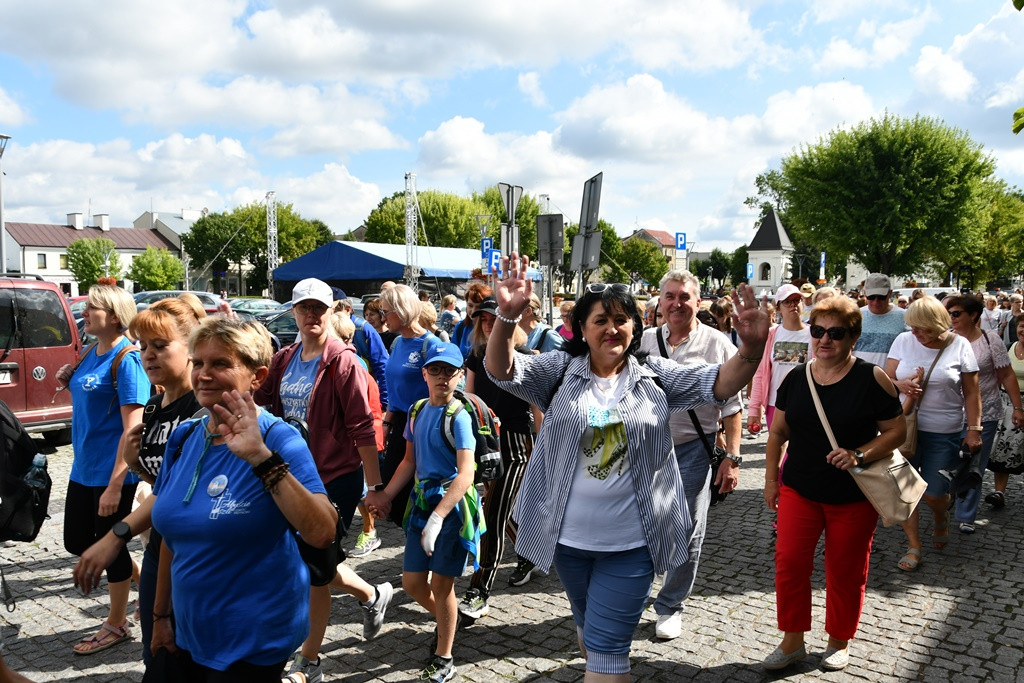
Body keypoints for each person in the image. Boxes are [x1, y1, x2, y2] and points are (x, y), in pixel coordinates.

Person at [485, 254, 769, 681]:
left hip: (633, 544)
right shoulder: (559, 371)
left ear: (636, 327)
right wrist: (507, 318)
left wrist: (751, 348)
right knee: (589, 633)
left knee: (606, 653)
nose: (611, 328)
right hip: (567, 541)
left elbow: (721, 384)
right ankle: (593, 638)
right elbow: (503, 369)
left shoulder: (656, 375)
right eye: (600, 320)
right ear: (582, 329)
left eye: (621, 319)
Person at [148, 316, 338, 680]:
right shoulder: (185, 437)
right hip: (187, 634)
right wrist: (160, 617)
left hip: (252, 641)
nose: (204, 374)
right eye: (198, 362)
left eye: (220, 363)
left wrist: (260, 458)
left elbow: (322, 532)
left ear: (258, 377)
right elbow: (173, 536)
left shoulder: (279, 440)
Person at [255, 279, 394, 683]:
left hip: (333, 478)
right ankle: (371, 594)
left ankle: (310, 662)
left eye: (320, 308)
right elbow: (260, 401)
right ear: (294, 312)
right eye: (304, 308)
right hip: (288, 475)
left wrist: (375, 486)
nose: (312, 315)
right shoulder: (284, 358)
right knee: (306, 562)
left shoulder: (344, 362)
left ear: (333, 311)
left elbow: (362, 428)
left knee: (313, 569)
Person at [762, 296, 905, 671]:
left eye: (835, 333)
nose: (825, 340)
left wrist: (859, 453)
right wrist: (771, 480)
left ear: (853, 336)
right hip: (799, 489)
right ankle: (792, 640)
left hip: (852, 495)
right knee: (789, 562)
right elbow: (778, 432)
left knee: (845, 569)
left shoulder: (872, 378)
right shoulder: (797, 377)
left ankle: (839, 639)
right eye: (818, 331)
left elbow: (896, 431)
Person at [73, 296, 204, 667]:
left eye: (160, 346)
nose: (147, 355)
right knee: (156, 653)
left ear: (191, 347)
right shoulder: (154, 406)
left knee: (181, 656)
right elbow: (162, 479)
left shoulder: (199, 409)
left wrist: (115, 535)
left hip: (193, 553)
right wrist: (135, 463)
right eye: (144, 346)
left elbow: (177, 493)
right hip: (159, 545)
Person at [366, 342, 485, 683]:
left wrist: (439, 517)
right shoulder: (417, 410)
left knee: (442, 584)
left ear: (459, 375)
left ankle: (444, 656)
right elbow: (409, 461)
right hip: (421, 503)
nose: (442, 377)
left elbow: (466, 474)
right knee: (413, 582)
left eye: (449, 371)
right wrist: (385, 493)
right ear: (424, 373)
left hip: (451, 509)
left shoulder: (459, 417)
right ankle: (449, 621)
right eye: (435, 370)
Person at [639, 270, 742, 641]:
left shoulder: (718, 344)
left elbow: (731, 407)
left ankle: (669, 605)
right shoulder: (645, 340)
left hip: (692, 451)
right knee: (638, 525)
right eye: (669, 296)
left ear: (699, 302)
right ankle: (634, 594)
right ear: (660, 302)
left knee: (686, 530)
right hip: (643, 450)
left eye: (684, 297)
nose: (676, 303)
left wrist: (732, 457)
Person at [62, 284, 150, 655]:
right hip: (83, 467)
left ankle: (116, 623)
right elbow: (91, 397)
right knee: (75, 541)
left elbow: (133, 429)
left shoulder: (127, 359)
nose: (84, 311)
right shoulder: (90, 353)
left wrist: (116, 486)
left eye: (92, 307)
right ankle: (144, 582)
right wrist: (71, 379)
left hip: (113, 474)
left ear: (114, 315)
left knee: (109, 549)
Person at [885, 296, 982, 571]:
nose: (915, 334)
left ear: (937, 323)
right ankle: (914, 545)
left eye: (922, 329)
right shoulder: (904, 341)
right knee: (905, 489)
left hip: (945, 431)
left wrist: (974, 429)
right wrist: (901, 384)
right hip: (903, 428)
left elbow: (973, 392)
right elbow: (885, 380)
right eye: (912, 328)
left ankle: (941, 515)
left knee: (935, 493)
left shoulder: (960, 344)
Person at [458, 296, 536, 619]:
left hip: (517, 444)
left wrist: (543, 449)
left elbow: (537, 408)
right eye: (485, 320)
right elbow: (470, 397)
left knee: (491, 516)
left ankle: (479, 589)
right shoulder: (476, 355)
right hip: (486, 442)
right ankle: (529, 553)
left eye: (494, 319)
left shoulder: (527, 358)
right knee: (496, 508)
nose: (489, 324)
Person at [944, 295, 1024, 533]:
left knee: (974, 463)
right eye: (949, 313)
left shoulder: (991, 341)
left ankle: (966, 514)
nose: (952, 318)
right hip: (948, 412)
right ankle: (946, 497)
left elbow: (1007, 375)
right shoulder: (946, 340)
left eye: (956, 313)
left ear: (974, 316)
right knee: (947, 460)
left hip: (984, 413)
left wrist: (1017, 408)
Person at [377, 285, 446, 526]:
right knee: (396, 503)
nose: (382, 317)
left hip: (423, 432)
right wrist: (387, 422)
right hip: (399, 429)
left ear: (402, 310)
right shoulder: (396, 343)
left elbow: (444, 393)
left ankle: (423, 555)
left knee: (417, 500)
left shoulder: (431, 345)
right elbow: (395, 391)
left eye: (386, 312)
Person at [748, 284, 813, 433]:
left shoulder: (814, 334)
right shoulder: (771, 334)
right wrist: (753, 410)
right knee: (780, 453)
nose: (793, 305)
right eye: (787, 302)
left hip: (805, 404)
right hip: (775, 404)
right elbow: (760, 374)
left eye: (797, 300)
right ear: (778, 308)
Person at [989, 314, 1024, 507]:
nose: (1023, 330)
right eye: (1021, 326)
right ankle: (998, 492)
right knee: (1003, 448)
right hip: (1006, 403)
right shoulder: (1009, 347)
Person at [853, 274, 906, 368]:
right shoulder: (856, 316)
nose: (876, 302)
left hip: (890, 379)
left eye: (881, 297)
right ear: (865, 294)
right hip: (859, 377)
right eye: (871, 297)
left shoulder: (904, 317)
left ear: (890, 293)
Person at [452, 283, 493, 360]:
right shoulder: (461, 326)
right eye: (470, 305)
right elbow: (453, 355)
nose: (473, 311)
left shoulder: (493, 328)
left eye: (478, 307)